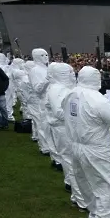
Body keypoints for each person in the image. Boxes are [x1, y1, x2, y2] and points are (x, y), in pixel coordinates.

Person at [63, 66, 110, 218]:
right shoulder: (98, 100)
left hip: (75, 144)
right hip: (95, 148)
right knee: (106, 184)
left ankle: (96, 214)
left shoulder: (71, 94)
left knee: (86, 182)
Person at [45, 63, 80, 199]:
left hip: (68, 127)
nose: (73, 75)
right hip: (62, 128)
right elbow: (59, 112)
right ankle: (73, 187)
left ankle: (72, 183)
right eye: (69, 73)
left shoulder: (64, 88)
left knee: (72, 157)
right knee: (68, 157)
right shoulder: (56, 89)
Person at [28, 49, 51, 155]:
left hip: (52, 100)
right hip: (43, 100)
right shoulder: (35, 70)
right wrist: (47, 80)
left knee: (51, 125)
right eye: (42, 55)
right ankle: (44, 147)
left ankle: (52, 146)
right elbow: (37, 88)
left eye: (46, 54)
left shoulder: (48, 68)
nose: (46, 57)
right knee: (43, 124)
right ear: (36, 57)